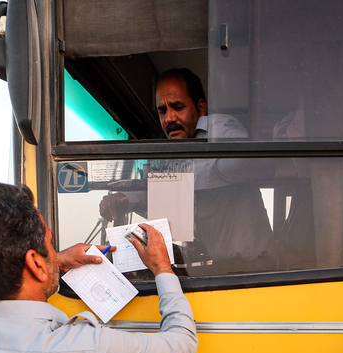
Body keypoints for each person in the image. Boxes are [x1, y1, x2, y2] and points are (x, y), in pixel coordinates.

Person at [0, 182, 197, 353]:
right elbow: (182, 343)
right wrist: (162, 267)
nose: (55, 250)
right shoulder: (84, 348)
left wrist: (54, 261)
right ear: (34, 263)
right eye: (50, 243)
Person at [101, 68, 276, 270]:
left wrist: (192, 175)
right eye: (162, 110)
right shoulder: (173, 151)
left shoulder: (218, 130)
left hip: (255, 270)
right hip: (219, 268)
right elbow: (152, 188)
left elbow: (261, 161)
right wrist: (121, 198)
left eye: (177, 107)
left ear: (201, 108)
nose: (169, 118)